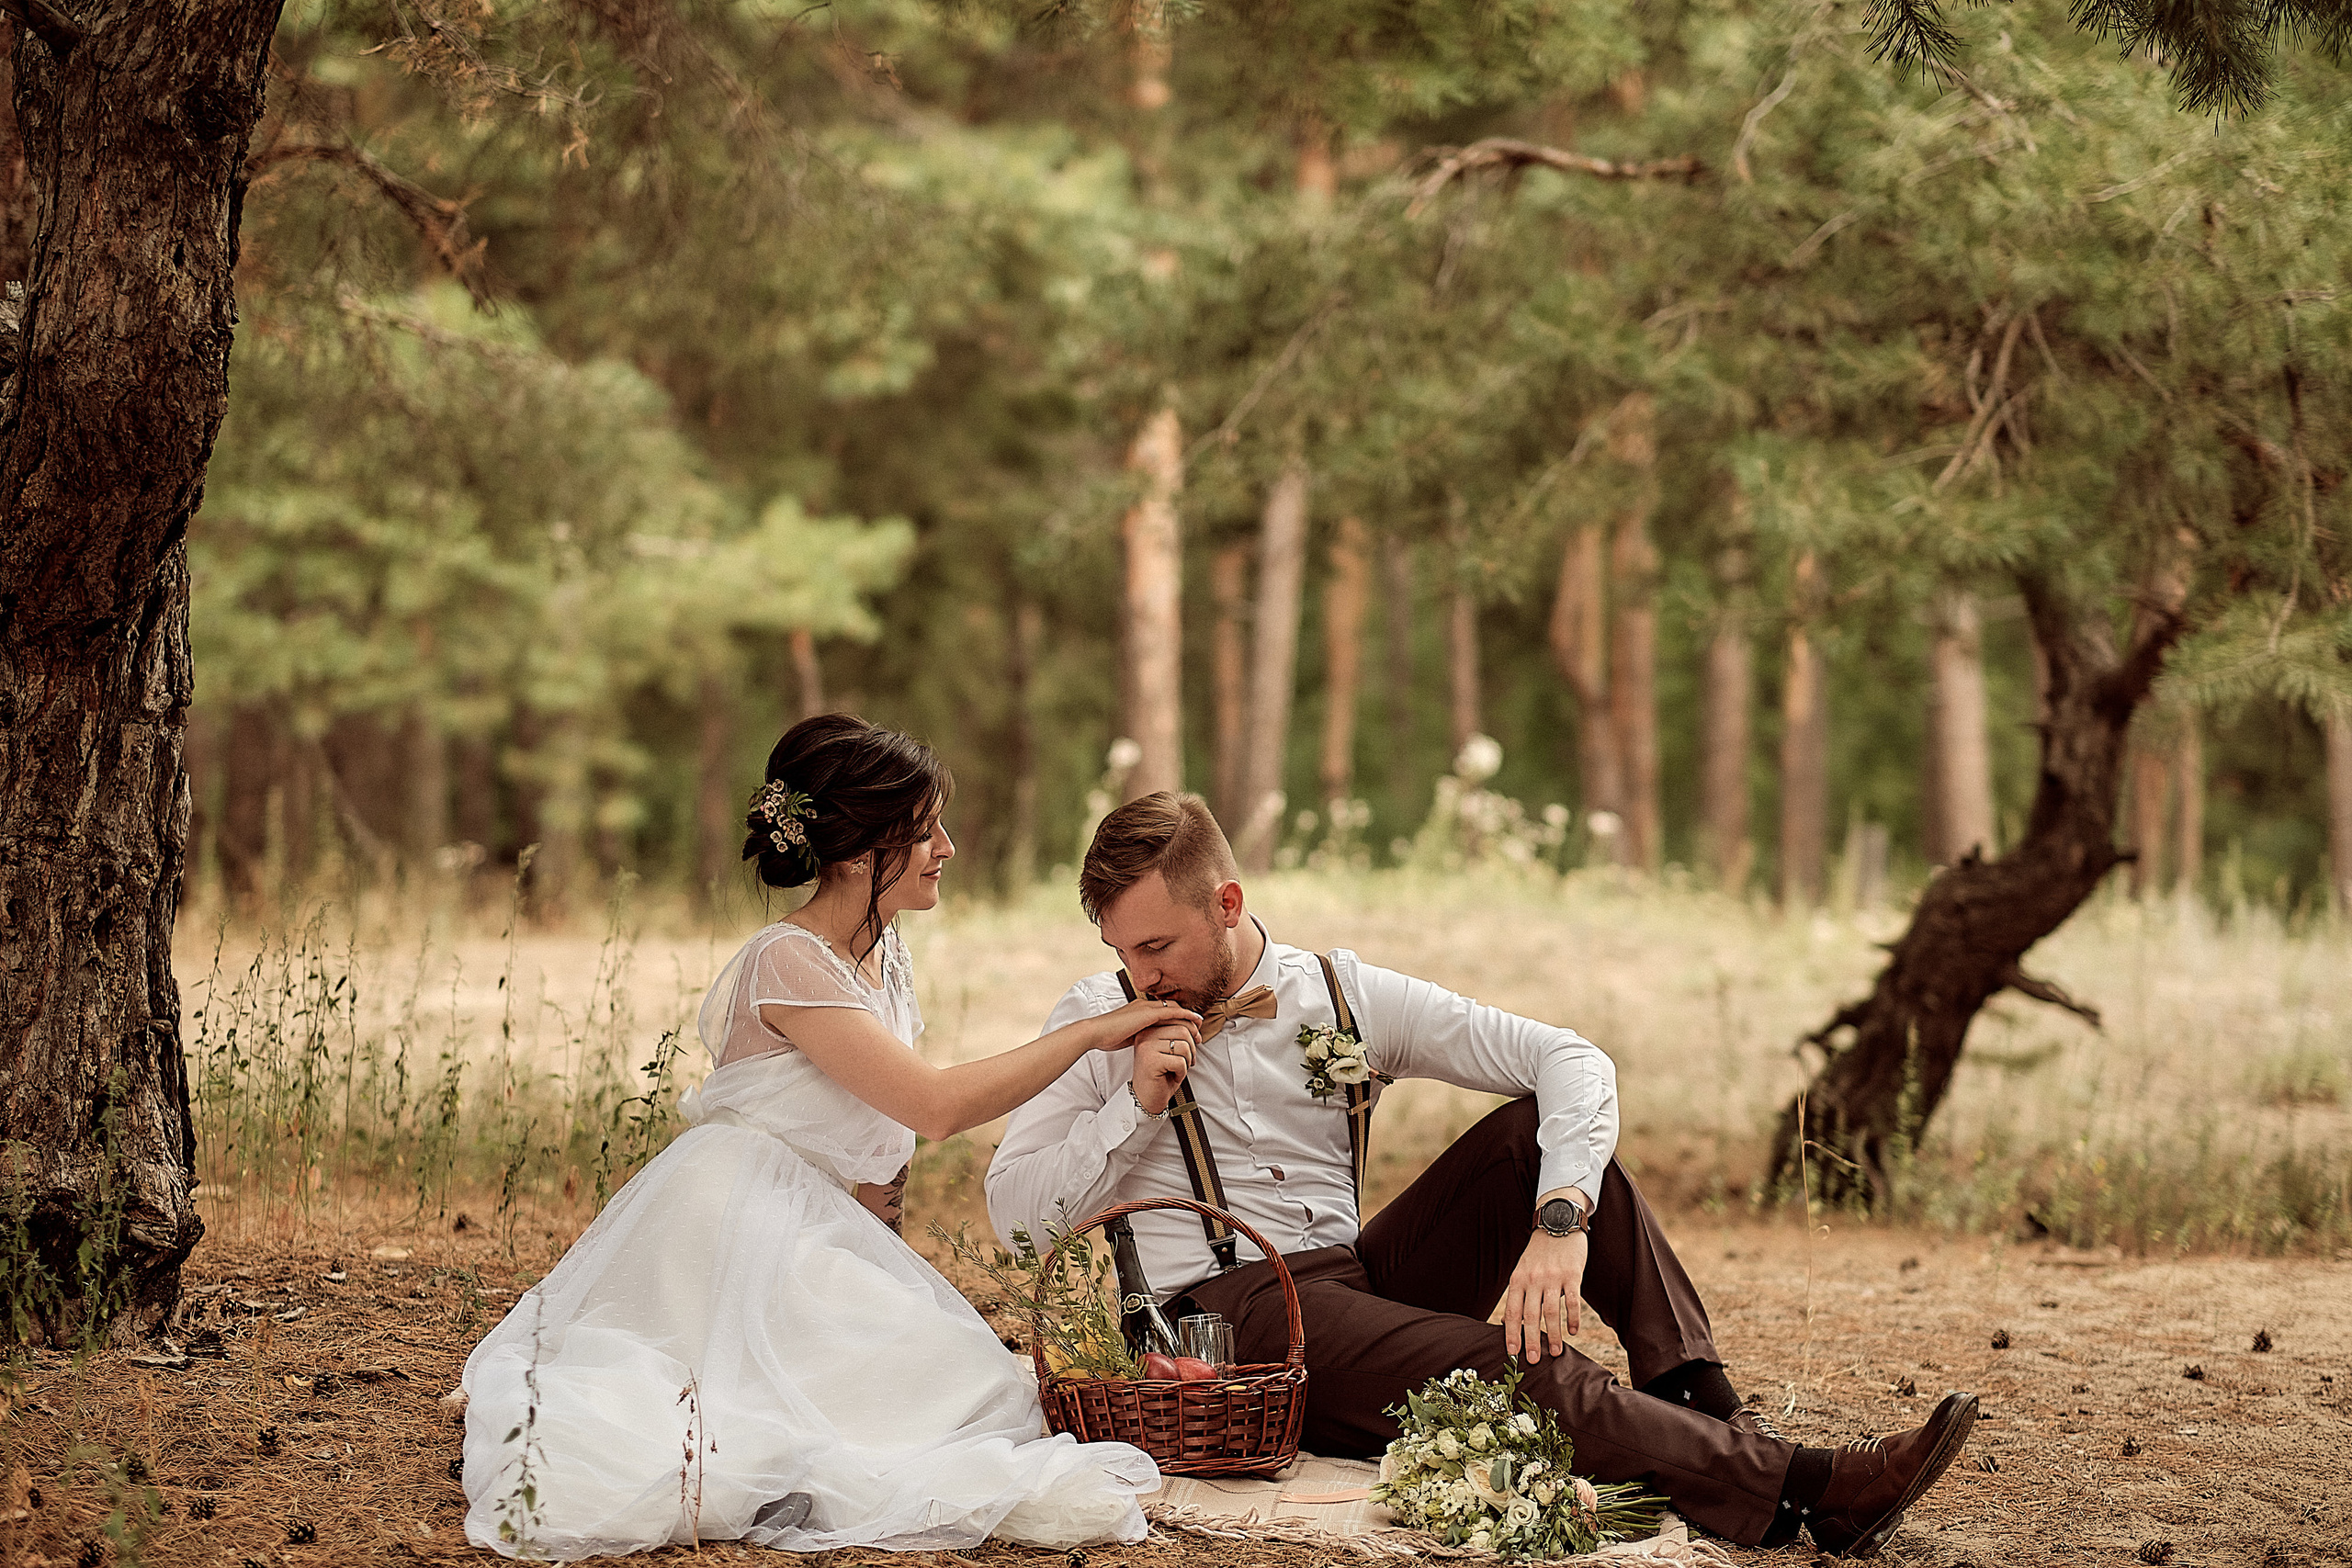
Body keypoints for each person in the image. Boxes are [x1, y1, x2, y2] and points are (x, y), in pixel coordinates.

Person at [987, 792, 1979, 1560]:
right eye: (1122, 949)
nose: (1142, 972)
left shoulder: (1340, 994)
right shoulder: (1098, 1017)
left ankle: (1707, 1401)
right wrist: (1131, 1109)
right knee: (1523, 1363)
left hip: (1351, 1280)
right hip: (1227, 1315)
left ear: (1228, 902)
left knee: (1530, 1136)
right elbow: (1015, 1217)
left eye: (1156, 945)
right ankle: (1807, 1488)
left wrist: (1559, 1219)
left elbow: (1571, 1059)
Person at [461, 716, 1195, 1560]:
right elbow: (935, 1106)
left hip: (806, 1220)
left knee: (971, 1384)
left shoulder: (885, 956)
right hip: (727, 1216)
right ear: (857, 852)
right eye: (924, 831)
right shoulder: (788, 960)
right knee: (861, 1423)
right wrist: (1096, 1030)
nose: (947, 848)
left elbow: (890, 1139)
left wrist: (888, 1269)